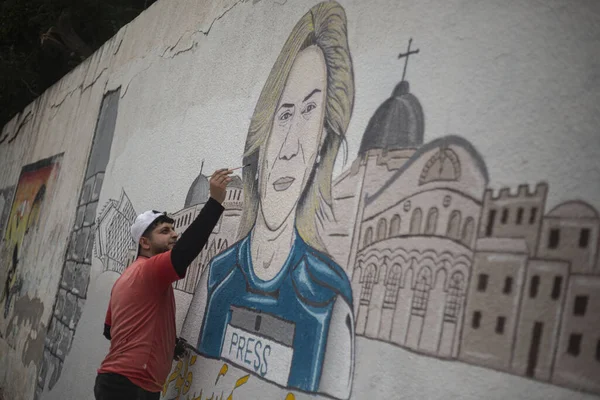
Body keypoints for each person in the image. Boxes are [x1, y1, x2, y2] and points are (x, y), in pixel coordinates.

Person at [180, 3, 356, 399]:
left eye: (310, 112)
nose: (291, 147)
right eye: (283, 114)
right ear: (259, 142)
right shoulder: (217, 277)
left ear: (321, 146)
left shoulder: (330, 299)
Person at [94, 168, 232, 400]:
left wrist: (168, 343)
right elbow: (185, 252)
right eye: (165, 231)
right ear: (145, 243)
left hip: (122, 382)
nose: (175, 235)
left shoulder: (126, 278)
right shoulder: (149, 270)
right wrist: (215, 201)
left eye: (174, 229)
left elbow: (111, 330)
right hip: (129, 386)